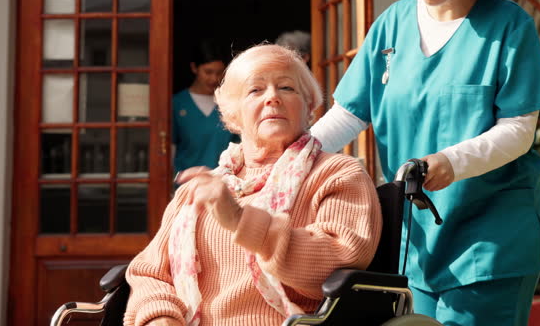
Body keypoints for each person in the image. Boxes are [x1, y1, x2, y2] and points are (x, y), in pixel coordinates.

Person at [310, 0, 540, 326]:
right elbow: (349, 114)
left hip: (492, 240)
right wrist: (290, 158)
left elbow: (519, 131)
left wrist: (450, 162)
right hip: (417, 240)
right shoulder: (391, 25)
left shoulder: (509, 27)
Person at [124, 44, 382, 326]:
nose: (272, 97)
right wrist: (160, 315)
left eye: (286, 88)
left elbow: (339, 261)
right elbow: (149, 273)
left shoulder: (337, 174)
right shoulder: (200, 189)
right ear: (233, 114)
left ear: (309, 107)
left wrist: (240, 220)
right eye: (255, 90)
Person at [172, 40, 239, 176]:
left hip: (223, 182)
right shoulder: (177, 104)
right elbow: (167, 150)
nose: (214, 78)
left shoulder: (229, 103)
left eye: (219, 72)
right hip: (186, 183)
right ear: (194, 68)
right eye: (208, 72)